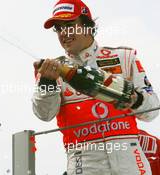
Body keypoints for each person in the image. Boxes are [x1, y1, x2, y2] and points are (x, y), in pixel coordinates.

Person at [32, 0, 160, 174]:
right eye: (58, 28)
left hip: (130, 162)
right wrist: (47, 83)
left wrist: (134, 99)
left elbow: (152, 111)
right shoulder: (51, 71)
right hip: (84, 164)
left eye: (70, 25)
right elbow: (44, 114)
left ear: (87, 25)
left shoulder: (124, 57)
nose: (64, 33)